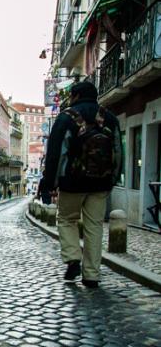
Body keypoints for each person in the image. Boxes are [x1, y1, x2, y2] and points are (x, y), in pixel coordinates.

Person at [43, 80, 122, 288]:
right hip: (100, 183)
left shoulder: (66, 118)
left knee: (66, 219)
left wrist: (50, 182)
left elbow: (54, 153)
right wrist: (112, 180)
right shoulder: (110, 119)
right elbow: (118, 151)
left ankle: (72, 258)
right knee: (94, 226)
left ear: (76, 96)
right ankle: (92, 275)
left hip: (72, 182)